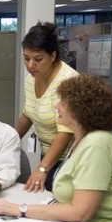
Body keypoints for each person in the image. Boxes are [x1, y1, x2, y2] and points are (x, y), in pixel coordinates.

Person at [0, 74, 112, 222]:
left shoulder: (97, 143)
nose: (57, 106)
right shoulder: (85, 138)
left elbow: (80, 212)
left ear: (80, 109)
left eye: (62, 102)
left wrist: (19, 209)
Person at [17, 21, 79, 192]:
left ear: (52, 56)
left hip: (70, 158)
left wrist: (42, 169)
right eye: (26, 58)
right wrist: (9, 141)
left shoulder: (67, 81)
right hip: (48, 154)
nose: (30, 65)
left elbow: (65, 132)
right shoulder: (32, 78)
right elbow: (28, 114)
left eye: (38, 59)